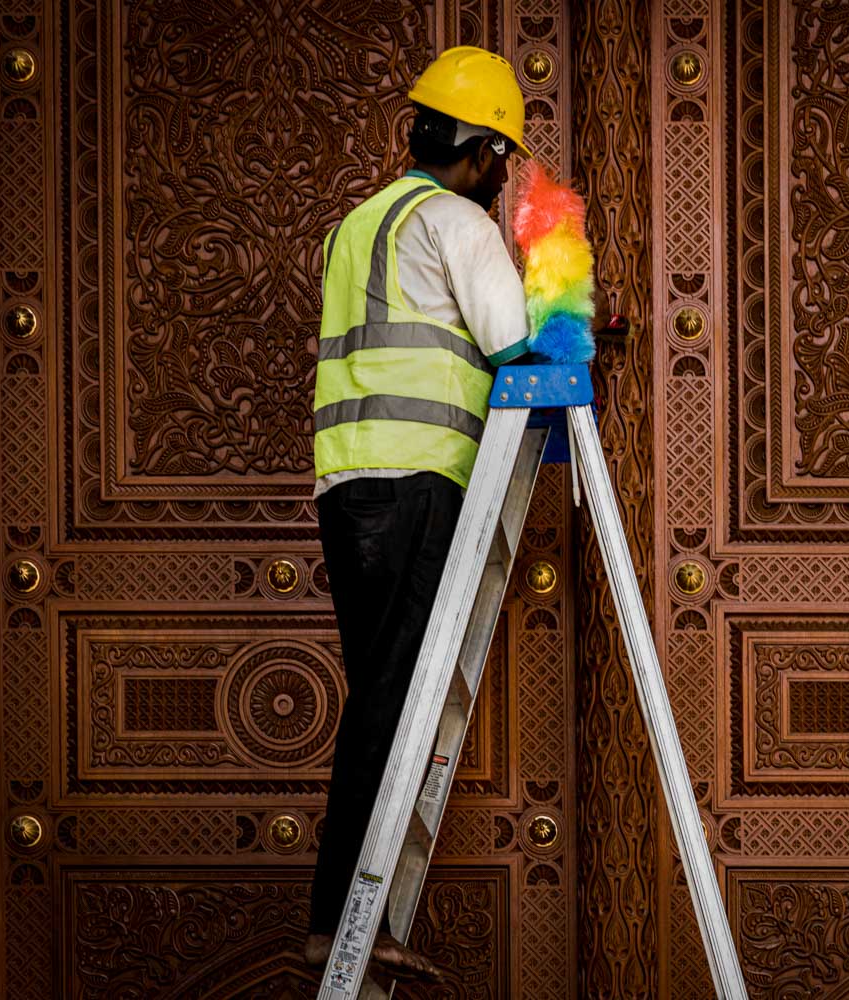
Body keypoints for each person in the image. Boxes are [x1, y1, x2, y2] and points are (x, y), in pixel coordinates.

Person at [304, 46, 602, 990]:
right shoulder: (459, 225)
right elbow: (516, 350)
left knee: (381, 694)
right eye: (501, 158)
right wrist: (580, 329)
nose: (504, 176)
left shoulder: (354, 228)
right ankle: (340, 923)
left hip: (348, 488)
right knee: (393, 704)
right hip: (423, 484)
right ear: (477, 149)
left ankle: (348, 920)